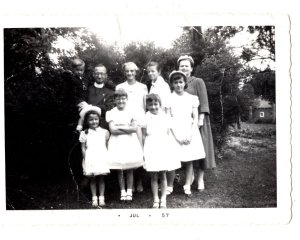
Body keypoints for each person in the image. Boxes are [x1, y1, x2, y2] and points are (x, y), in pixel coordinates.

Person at [177, 55, 216, 191]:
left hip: (199, 121)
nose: (184, 68)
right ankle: (190, 176)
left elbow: (204, 102)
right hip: (184, 123)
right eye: (181, 66)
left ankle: (200, 179)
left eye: (186, 65)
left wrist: (200, 120)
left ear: (191, 68)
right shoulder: (178, 82)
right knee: (188, 150)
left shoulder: (198, 81)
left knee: (201, 150)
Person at [167, 71, 206, 196]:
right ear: (172, 84)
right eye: (175, 82)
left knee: (189, 160)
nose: (178, 85)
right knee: (172, 159)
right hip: (174, 132)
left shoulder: (191, 98)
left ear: (185, 83)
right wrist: (177, 137)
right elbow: (168, 119)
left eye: (180, 82)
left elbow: (195, 118)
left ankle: (187, 184)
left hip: (190, 130)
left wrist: (190, 134)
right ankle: (169, 185)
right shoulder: (169, 98)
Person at [142, 94, 181, 208]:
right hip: (150, 147)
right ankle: (155, 199)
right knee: (153, 175)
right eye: (150, 105)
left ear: (160, 104)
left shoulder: (164, 116)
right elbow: (144, 135)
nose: (153, 107)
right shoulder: (146, 117)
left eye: (155, 104)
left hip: (163, 147)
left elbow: (168, 134)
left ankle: (163, 199)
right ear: (147, 106)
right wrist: (144, 151)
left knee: (163, 175)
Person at [106, 89, 144, 201]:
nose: (120, 100)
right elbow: (112, 131)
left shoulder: (132, 111)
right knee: (120, 168)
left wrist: (120, 127)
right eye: (118, 98)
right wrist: (127, 128)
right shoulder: (111, 112)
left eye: (123, 98)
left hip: (129, 142)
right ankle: (122, 191)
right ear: (114, 100)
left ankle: (129, 191)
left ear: (126, 99)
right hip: (116, 142)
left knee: (130, 168)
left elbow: (134, 129)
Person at [116, 62, 148, 192]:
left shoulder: (143, 87)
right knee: (128, 151)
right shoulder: (120, 86)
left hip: (139, 120)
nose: (129, 73)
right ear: (124, 72)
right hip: (126, 121)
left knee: (139, 150)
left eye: (132, 71)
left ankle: (139, 180)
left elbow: (145, 106)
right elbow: (119, 103)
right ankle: (131, 183)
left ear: (136, 72)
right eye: (127, 71)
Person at [79, 105, 110, 207]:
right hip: (90, 158)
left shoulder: (104, 132)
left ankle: (101, 198)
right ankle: (94, 198)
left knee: (101, 178)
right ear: (87, 121)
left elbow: (106, 146)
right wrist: (85, 158)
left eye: (96, 119)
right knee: (92, 179)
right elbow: (83, 148)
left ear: (99, 120)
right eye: (91, 120)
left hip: (101, 157)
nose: (94, 122)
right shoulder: (85, 133)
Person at [76, 64, 115, 131]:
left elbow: (108, 109)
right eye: (97, 74)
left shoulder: (111, 93)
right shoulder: (86, 90)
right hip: (87, 127)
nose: (99, 76)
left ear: (106, 75)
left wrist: (88, 106)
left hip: (103, 129)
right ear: (93, 74)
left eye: (102, 74)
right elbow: (80, 106)